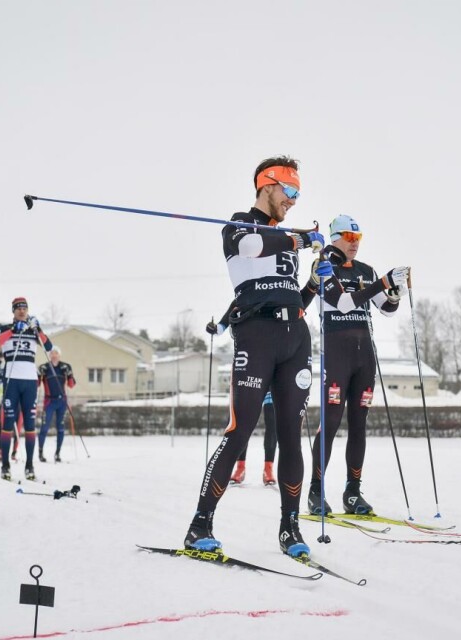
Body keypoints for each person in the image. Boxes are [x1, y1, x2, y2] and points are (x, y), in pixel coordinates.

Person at [183, 155, 323, 558]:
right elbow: (250, 245)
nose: (293, 200)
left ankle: (290, 529)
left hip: (295, 339)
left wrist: (313, 283)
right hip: (257, 337)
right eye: (289, 191)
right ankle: (200, 524)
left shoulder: (285, 236)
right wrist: (300, 240)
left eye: (298, 194)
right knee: (240, 430)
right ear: (267, 185)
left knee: (291, 435)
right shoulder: (240, 224)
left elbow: (293, 298)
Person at [300, 215, 408, 515]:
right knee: (332, 422)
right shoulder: (324, 266)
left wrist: (394, 294)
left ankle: (352, 491)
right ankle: (316, 491)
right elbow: (344, 303)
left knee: (359, 424)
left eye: (358, 238)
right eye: (349, 237)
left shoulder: (365, 270)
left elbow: (386, 308)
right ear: (335, 237)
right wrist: (383, 283)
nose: (354, 243)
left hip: (364, 358)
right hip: (337, 355)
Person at [205, 311, 278, 486]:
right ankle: (240, 467)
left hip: (271, 368)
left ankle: (268, 469)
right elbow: (224, 322)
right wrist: (216, 328)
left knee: (272, 420)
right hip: (248, 367)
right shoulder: (243, 299)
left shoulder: (272, 299)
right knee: (241, 420)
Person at [0, 297, 53, 481]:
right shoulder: (5, 328)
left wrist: (38, 329)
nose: (21, 311)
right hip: (11, 380)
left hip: (30, 381)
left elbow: (48, 346)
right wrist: (12, 330)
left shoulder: (32, 330)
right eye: (18, 308)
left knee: (30, 425)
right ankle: (5, 466)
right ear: (13, 311)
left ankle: (29, 466)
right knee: (8, 424)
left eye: (24, 308)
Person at [37, 346, 76, 463]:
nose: (54, 355)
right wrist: (38, 374)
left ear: (59, 355)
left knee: (61, 428)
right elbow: (37, 384)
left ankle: (57, 453)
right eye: (52, 353)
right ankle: (40, 452)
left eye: (56, 353)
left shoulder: (65, 367)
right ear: (49, 355)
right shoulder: (44, 367)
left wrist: (70, 374)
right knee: (44, 428)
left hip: (62, 402)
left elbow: (71, 385)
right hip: (49, 402)